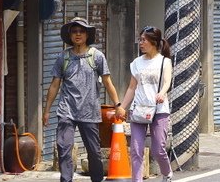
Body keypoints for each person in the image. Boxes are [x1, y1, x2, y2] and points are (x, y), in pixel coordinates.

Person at [44, 17, 122, 182]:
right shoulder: (63, 57)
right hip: (67, 110)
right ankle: (66, 180)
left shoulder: (97, 56)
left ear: (87, 35)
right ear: (70, 35)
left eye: (81, 31)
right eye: (74, 31)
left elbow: (108, 82)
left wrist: (118, 105)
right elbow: (54, 85)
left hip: (89, 111)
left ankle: (97, 179)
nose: (78, 34)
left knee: (94, 151)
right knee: (64, 147)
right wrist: (46, 111)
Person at [119, 26, 174, 182]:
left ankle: (167, 173)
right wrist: (122, 107)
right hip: (139, 109)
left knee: (158, 149)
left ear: (154, 42)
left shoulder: (164, 62)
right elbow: (131, 87)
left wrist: (162, 93)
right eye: (140, 39)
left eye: (143, 40)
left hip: (159, 110)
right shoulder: (137, 63)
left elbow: (167, 82)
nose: (140, 43)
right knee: (136, 150)